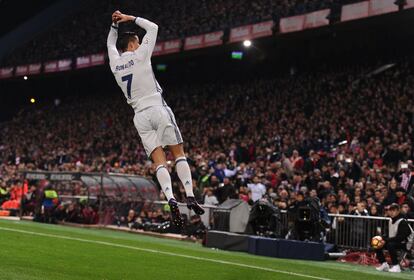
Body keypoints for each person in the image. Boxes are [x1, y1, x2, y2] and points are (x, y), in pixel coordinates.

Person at [107, 11, 204, 228]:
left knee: (159, 162)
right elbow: (154, 27)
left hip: (139, 116)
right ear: (132, 44)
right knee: (179, 154)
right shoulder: (141, 55)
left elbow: (110, 44)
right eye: (138, 41)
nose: (140, 43)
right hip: (157, 108)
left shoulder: (115, 63)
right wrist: (128, 18)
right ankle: (189, 194)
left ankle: (170, 198)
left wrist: (113, 27)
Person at [376, 203, 412, 273]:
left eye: (394, 210)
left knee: (390, 244)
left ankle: (396, 266)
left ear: (398, 211)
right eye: (390, 210)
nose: (391, 212)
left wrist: (386, 240)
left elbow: (401, 238)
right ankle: (384, 264)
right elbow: (387, 234)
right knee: (377, 242)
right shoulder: (391, 220)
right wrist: (382, 239)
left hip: (406, 244)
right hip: (395, 241)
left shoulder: (402, 221)